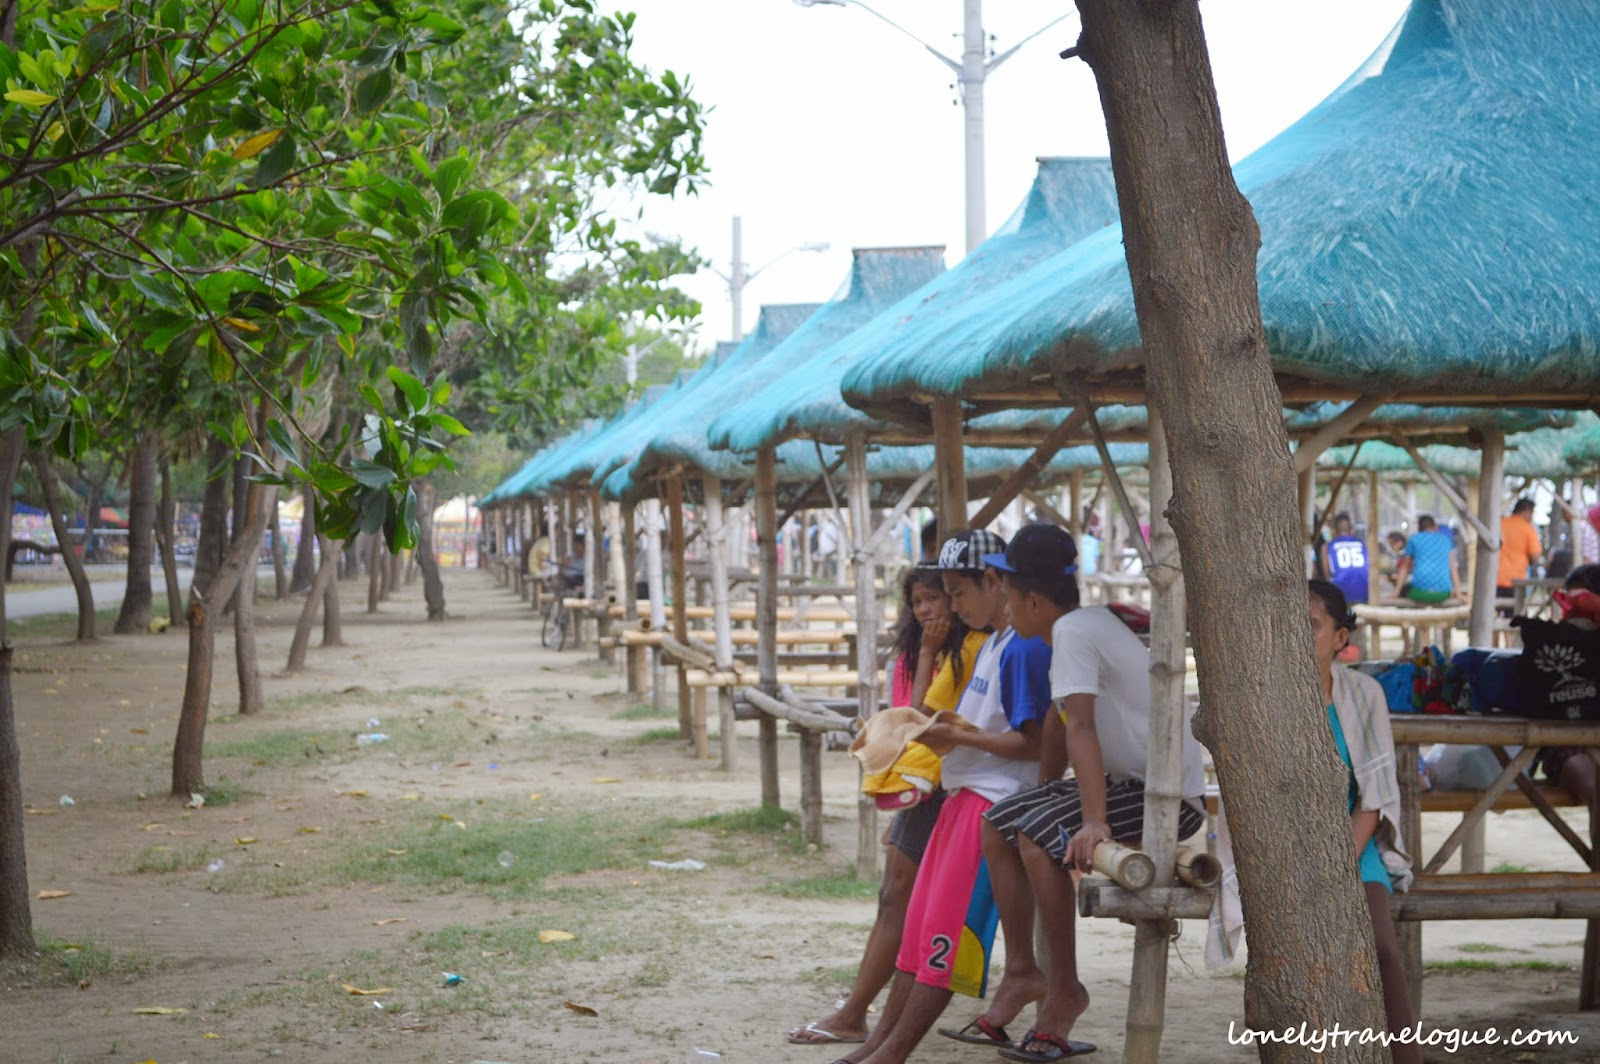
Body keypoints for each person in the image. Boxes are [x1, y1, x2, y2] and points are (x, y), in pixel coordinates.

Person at [963, 524, 1206, 1060]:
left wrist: (1091, 821)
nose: (1004, 605)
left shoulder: (1073, 632)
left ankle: (1064, 989)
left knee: (1030, 832)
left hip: (1164, 798)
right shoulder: (1078, 625)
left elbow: (1081, 729)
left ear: (1030, 598)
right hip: (1131, 784)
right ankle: (1024, 971)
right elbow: (1057, 720)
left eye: (1006, 595)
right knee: (1001, 821)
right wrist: (1047, 793)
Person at [834, 530, 1051, 1064]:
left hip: (991, 801)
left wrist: (955, 738)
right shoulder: (992, 643)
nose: (951, 606)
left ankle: (891, 1053)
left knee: (943, 945)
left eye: (957, 593)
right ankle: (880, 1044)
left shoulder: (1020, 647)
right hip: (961, 795)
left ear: (995, 582)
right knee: (920, 938)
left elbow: (1036, 744)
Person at [790, 569, 983, 1047]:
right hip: (921, 784)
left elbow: (918, 717)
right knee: (896, 899)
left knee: (900, 900)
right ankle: (857, 1014)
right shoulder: (916, 648)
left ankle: (856, 1016)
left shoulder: (971, 649)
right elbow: (905, 723)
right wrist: (922, 653)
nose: (925, 609)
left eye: (935, 598)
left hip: (946, 786)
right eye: (917, 601)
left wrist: (927, 656)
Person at [1306, 580, 1421, 1064]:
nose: (1297, 637)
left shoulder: (1363, 693)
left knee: (1381, 949)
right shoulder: (1265, 702)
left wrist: (1336, 868)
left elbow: (1371, 801)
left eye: (1311, 626)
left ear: (1340, 638)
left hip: (1355, 844)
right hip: (1283, 850)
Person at [1395, 515, 1458, 604]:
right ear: (1435, 527)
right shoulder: (1446, 540)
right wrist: (1458, 594)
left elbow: (1405, 567)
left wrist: (1396, 593)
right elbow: (1453, 568)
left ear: (1419, 528)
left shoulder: (1414, 539)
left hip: (1420, 593)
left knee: (1405, 590)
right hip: (1443, 594)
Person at [1496, 498, 1544, 603]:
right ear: (1526, 511)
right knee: (1516, 613)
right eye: (1532, 513)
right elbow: (1535, 555)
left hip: (1496, 577)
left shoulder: (1500, 523)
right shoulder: (1528, 528)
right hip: (1517, 580)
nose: (1532, 517)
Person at [1322, 512, 1371, 606]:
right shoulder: (1363, 545)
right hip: (1365, 591)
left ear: (1334, 531)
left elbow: (1327, 575)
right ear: (1352, 530)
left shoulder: (1327, 547)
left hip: (1340, 593)